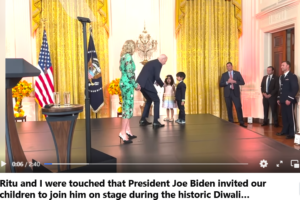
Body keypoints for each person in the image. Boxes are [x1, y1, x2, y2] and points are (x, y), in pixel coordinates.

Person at [119, 40, 141, 144]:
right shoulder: (128, 57)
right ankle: (123, 132)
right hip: (128, 83)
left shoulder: (123, 57)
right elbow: (129, 72)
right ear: (131, 47)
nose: (135, 49)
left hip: (124, 83)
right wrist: (135, 84)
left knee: (127, 106)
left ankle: (127, 130)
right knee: (127, 108)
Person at [136, 54, 168, 128]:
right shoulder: (158, 64)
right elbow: (157, 77)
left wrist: (155, 81)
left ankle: (143, 120)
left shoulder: (151, 62)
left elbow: (149, 74)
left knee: (149, 99)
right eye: (165, 61)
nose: (165, 63)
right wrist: (163, 85)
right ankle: (156, 122)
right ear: (162, 59)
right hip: (147, 84)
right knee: (157, 100)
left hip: (141, 84)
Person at [220, 62, 247, 128]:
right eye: (227, 66)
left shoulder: (237, 73)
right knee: (229, 108)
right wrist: (227, 82)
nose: (228, 67)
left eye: (229, 66)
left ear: (232, 66)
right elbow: (221, 84)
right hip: (227, 94)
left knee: (238, 107)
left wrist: (234, 82)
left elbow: (242, 82)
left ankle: (241, 122)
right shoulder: (224, 75)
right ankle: (230, 122)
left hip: (235, 93)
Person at [276, 61, 299, 139]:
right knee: (284, 117)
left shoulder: (292, 76)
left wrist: (289, 99)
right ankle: (285, 131)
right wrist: (279, 98)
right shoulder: (281, 77)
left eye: (283, 65)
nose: (281, 66)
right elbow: (280, 88)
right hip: (282, 100)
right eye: (281, 65)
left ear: (288, 66)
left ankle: (292, 133)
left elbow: (295, 88)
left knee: (290, 117)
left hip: (289, 100)